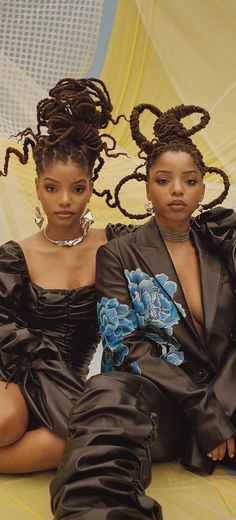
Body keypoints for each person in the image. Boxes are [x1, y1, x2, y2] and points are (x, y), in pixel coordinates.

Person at [51, 103, 236, 520]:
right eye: (163, 180)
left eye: (189, 181)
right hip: (159, 404)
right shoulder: (119, 253)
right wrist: (201, 408)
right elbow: (127, 345)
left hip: (229, 395)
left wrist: (220, 404)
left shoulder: (221, 245)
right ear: (147, 185)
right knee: (105, 392)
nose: (176, 190)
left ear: (203, 188)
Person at [0, 77, 134, 473]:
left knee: (74, 443)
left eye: (77, 188)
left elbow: (171, 243)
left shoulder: (114, 243)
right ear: (37, 188)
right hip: (16, 374)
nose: (64, 200)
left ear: (91, 186)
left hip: (73, 390)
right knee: (6, 422)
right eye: (52, 188)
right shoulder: (15, 255)